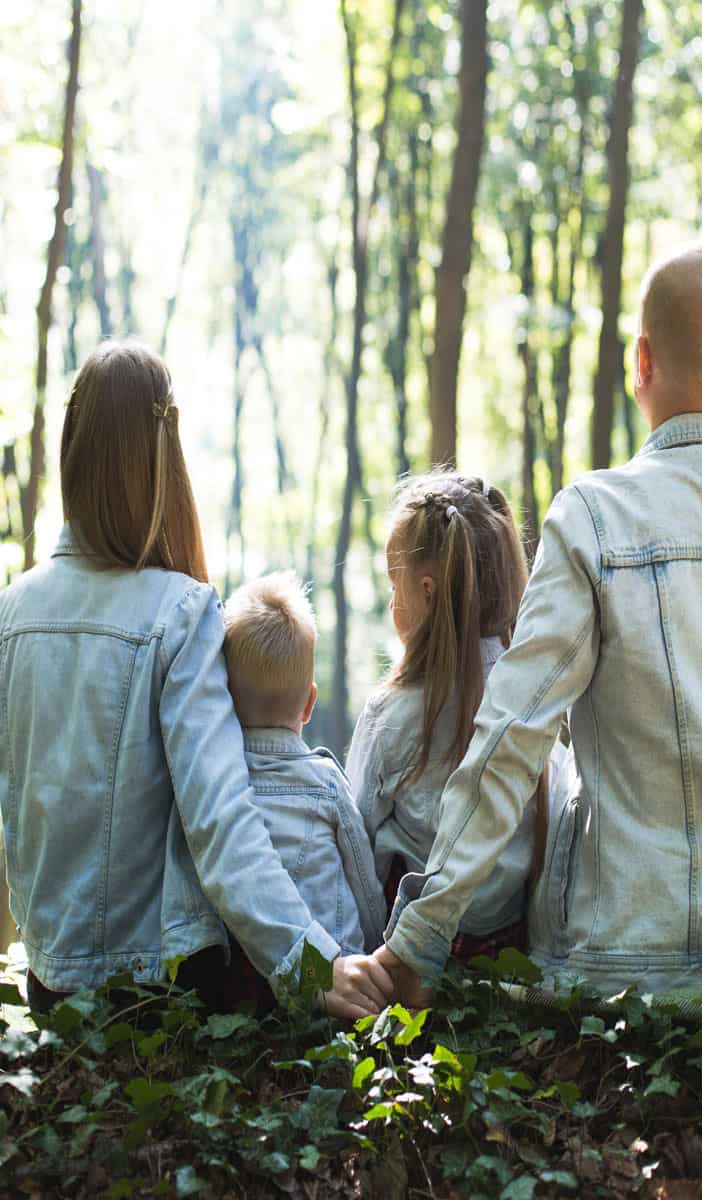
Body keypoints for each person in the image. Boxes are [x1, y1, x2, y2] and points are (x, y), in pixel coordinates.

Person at [375, 247, 702, 1001]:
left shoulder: (594, 518)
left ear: (639, 360)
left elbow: (511, 736)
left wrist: (416, 941)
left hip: (616, 965)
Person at [0, 341, 391, 1019]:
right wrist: (311, 965)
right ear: (163, 459)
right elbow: (220, 823)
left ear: (73, 450)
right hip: (156, 992)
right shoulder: (180, 612)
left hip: (49, 986)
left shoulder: (10, 611)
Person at [347, 472, 565, 961]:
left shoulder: (391, 714)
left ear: (426, 590)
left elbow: (355, 841)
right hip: (510, 949)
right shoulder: (534, 704)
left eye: (394, 585)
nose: (390, 602)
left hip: (410, 955)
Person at [216, 571, 384, 1010]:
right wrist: (373, 943)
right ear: (309, 704)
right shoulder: (326, 784)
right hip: (335, 972)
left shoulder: (217, 789)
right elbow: (363, 881)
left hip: (248, 984)